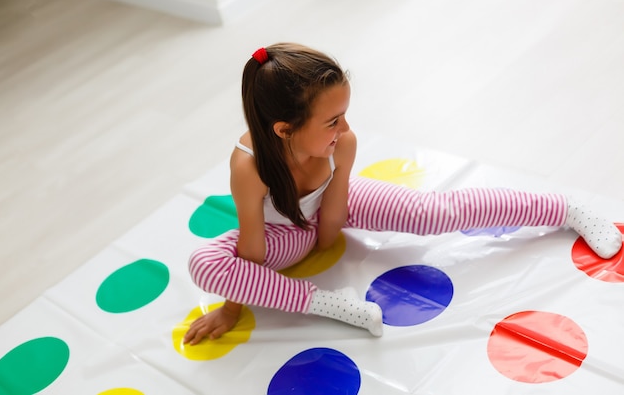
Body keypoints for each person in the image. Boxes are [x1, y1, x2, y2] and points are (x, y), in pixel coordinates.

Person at [184, 43, 622, 344]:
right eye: (332, 121)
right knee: (205, 263)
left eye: (345, 115)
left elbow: (332, 224)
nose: (346, 129)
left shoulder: (344, 144)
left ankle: (564, 209)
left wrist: (321, 238)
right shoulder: (249, 166)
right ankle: (328, 304)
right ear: (284, 130)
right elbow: (254, 247)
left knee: (433, 213)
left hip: (330, 215)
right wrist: (232, 309)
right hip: (282, 237)